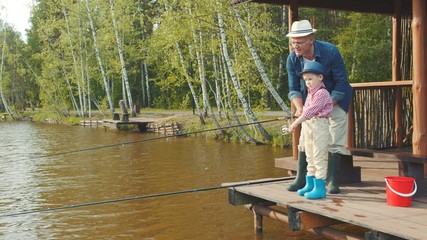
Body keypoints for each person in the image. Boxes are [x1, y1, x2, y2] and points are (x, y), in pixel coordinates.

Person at [284, 20, 353, 194]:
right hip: (310, 104)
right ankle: (302, 179)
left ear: (311, 40)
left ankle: (332, 181)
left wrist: (325, 104)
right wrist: (300, 108)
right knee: (305, 140)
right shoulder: (292, 59)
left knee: (334, 140)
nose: (295, 46)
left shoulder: (331, 51)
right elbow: (293, 88)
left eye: (299, 42)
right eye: (293, 42)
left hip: (336, 98)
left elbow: (341, 83)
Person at [288, 61, 333, 200]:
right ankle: (310, 184)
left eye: (310, 79)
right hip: (309, 126)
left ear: (320, 78)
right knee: (309, 157)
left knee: (319, 157)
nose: (307, 82)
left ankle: (320, 188)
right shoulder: (310, 93)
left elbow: (310, 112)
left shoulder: (322, 93)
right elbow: (306, 112)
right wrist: (299, 114)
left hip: (319, 126)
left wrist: (294, 124)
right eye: (305, 79)